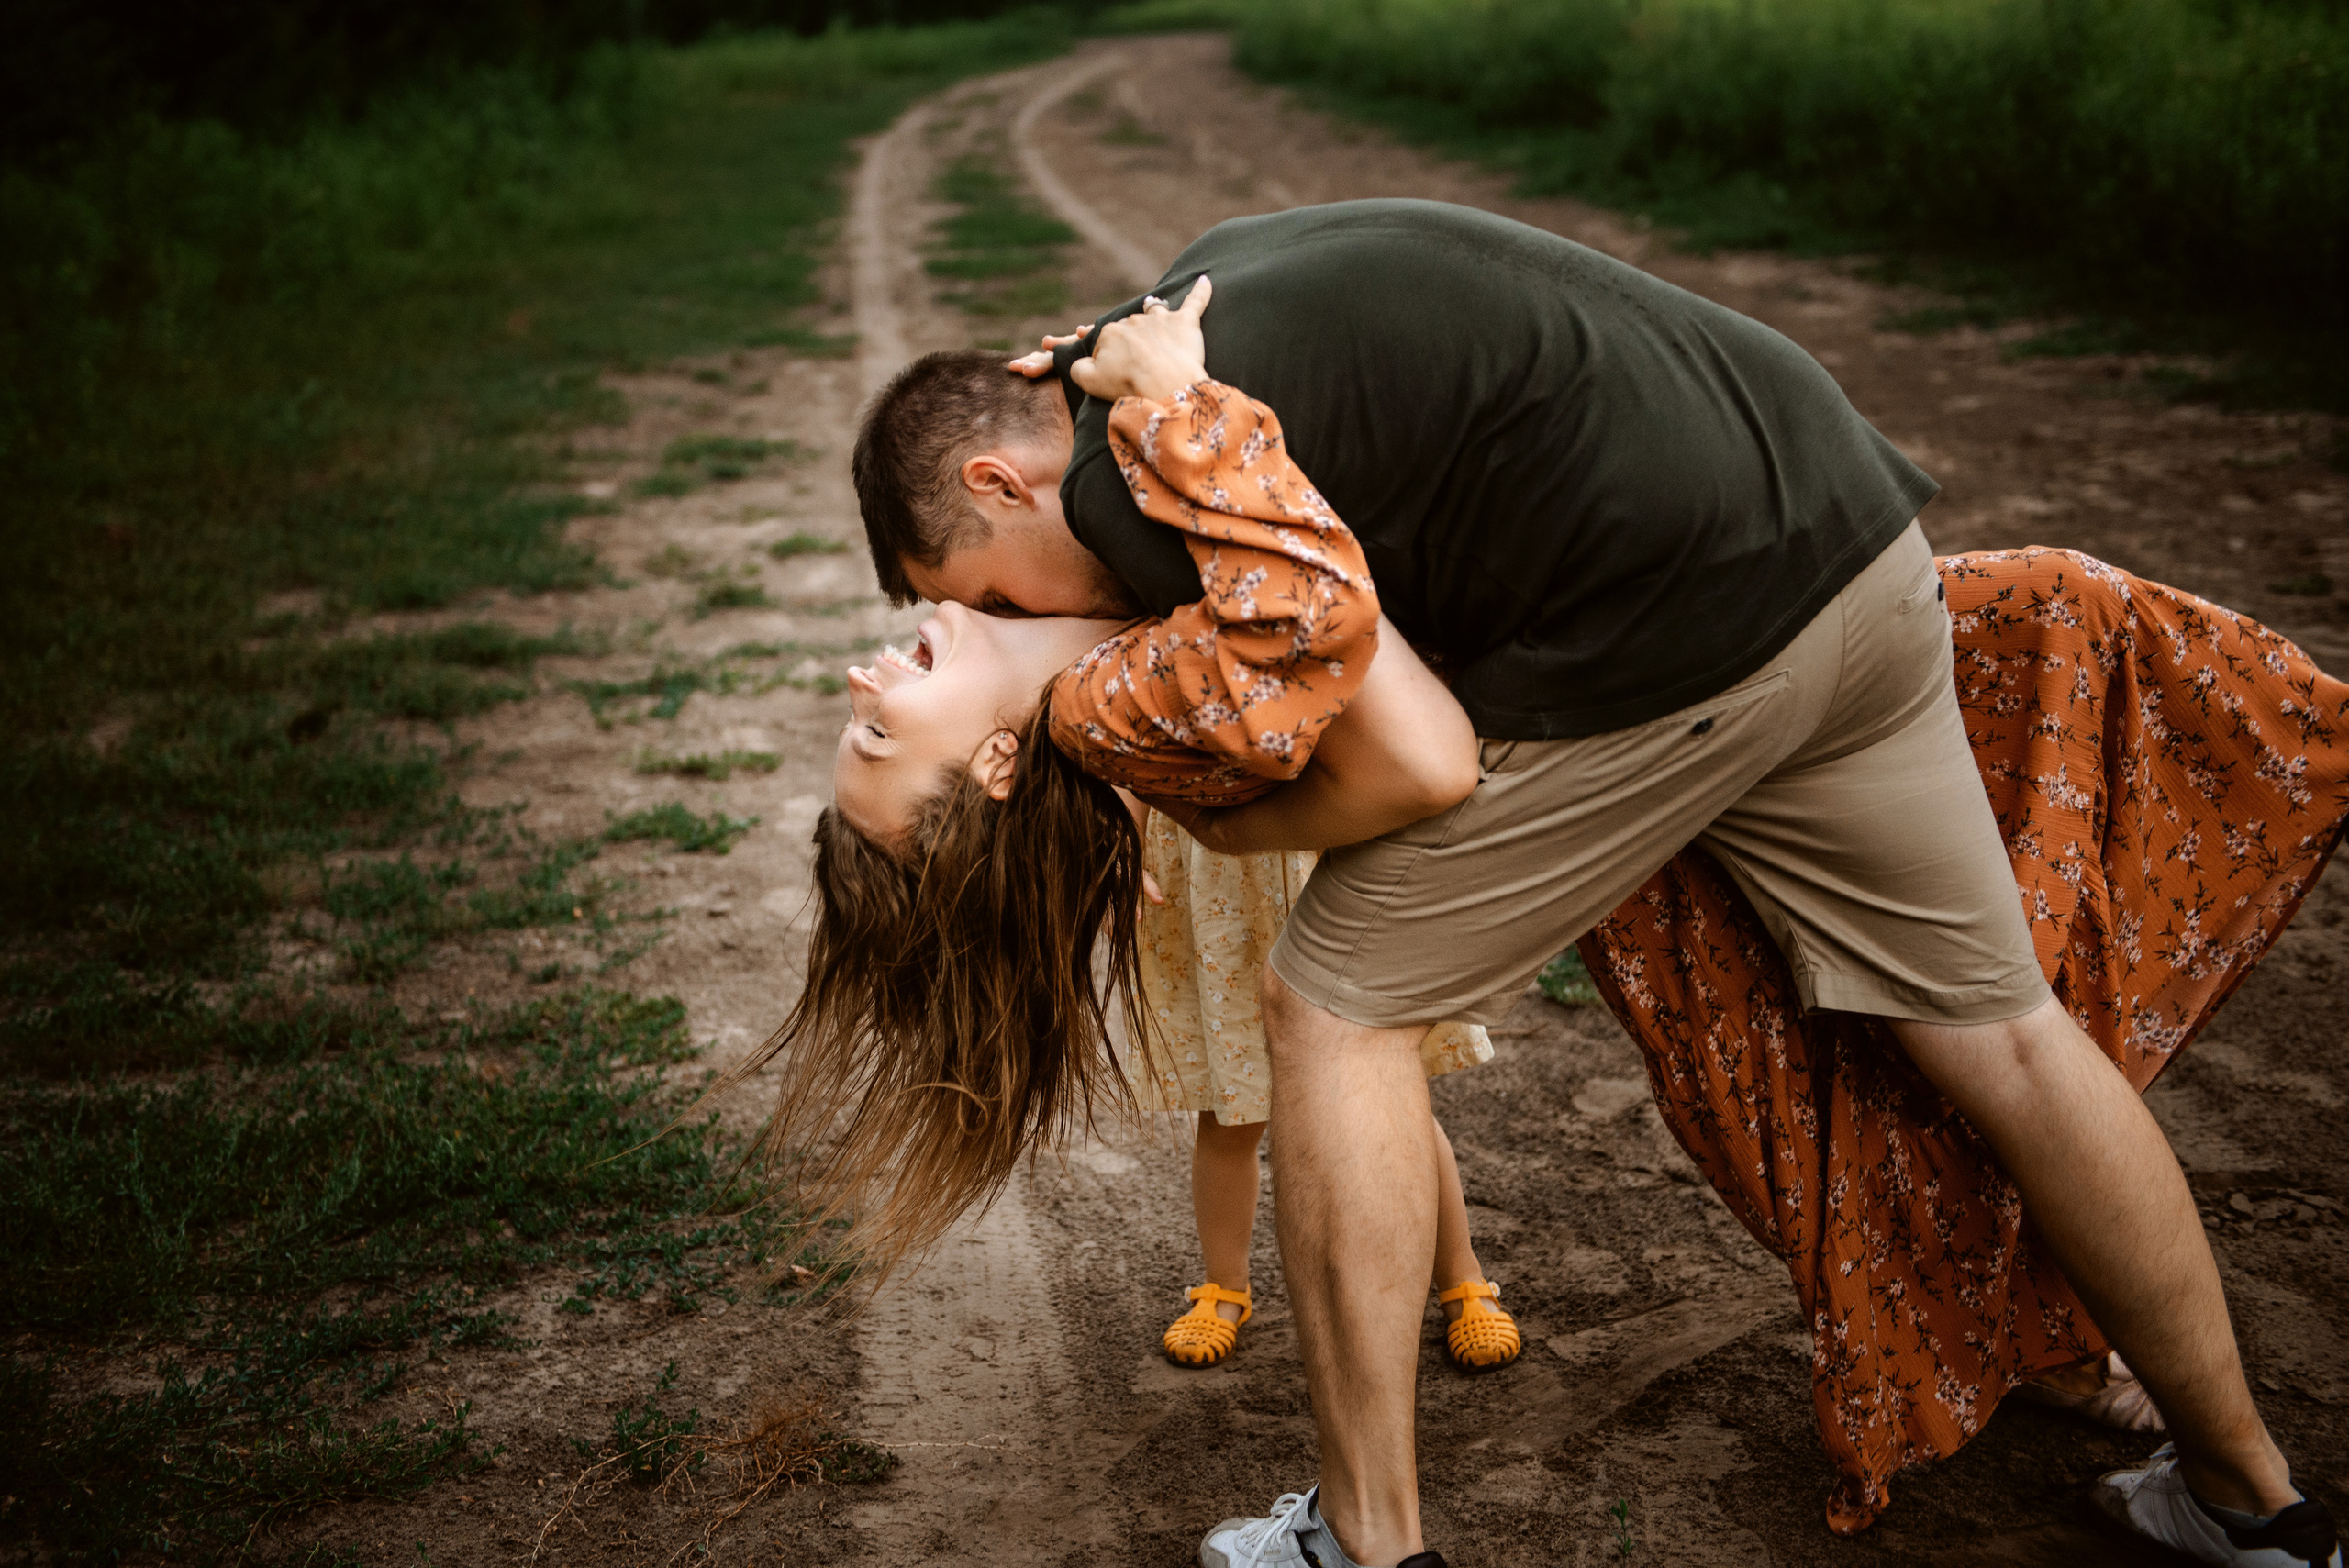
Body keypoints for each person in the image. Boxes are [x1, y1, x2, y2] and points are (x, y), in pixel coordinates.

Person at [824, 205, 2347, 1568]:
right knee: (2004, 1025)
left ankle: (1367, 1538)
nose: (1036, 607)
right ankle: (2245, 1493)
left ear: (998, 479)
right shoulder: (1192, 301)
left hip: (1682, 624)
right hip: (1849, 534)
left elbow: (1420, 760)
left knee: (1328, 1000)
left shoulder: (1133, 469)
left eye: (982, 593)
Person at [1133, 821, 1520, 1373]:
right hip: (1219, 887)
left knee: (1386, 1102)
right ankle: (1224, 1286)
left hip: (1329, 849)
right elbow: (1122, 744)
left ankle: (1462, 1275)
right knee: (1229, 1108)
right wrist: (1120, 840)